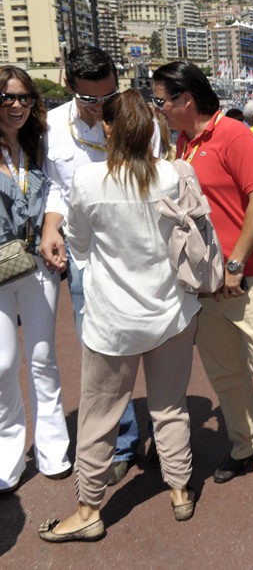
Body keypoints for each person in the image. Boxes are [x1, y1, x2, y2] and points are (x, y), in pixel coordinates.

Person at [38, 90, 201, 542]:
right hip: (171, 311)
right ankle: (180, 489)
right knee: (171, 405)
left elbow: (82, 247)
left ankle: (89, 507)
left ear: (108, 128)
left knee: (100, 414)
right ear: (150, 126)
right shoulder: (174, 174)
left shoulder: (90, 181)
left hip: (113, 319)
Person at [41, 46, 162, 485]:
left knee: (156, 340)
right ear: (71, 88)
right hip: (83, 253)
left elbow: (155, 176)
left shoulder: (141, 121)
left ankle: (168, 439)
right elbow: (55, 187)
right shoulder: (52, 126)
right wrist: (50, 228)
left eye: (108, 95)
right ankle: (125, 442)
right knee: (103, 350)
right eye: (90, 98)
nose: (100, 106)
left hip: (137, 253)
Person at [153, 62, 253, 484]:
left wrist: (237, 263)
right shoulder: (181, 145)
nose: (159, 108)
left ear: (186, 99)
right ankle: (245, 446)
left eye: (162, 100)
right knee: (226, 374)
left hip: (247, 281)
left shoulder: (233, 135)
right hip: (204, 289)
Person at [0, 67, 71, 494]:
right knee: (3, 364)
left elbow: (58, 191)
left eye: (25, 98)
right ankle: (8, 456)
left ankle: (52, 451)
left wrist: (50, 229)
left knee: (43, 359)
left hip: (38, 264)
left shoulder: (37, 145)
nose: (17, 106)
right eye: (7, 98)